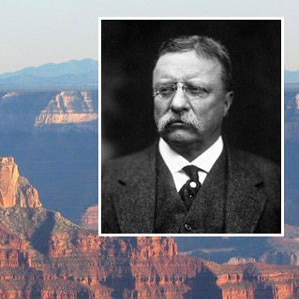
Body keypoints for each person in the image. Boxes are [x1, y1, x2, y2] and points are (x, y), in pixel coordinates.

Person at [101, 35, 280, 235]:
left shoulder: (277, 185)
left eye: (195, 90)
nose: (177, 104)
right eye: (165, 89)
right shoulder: (103, 183)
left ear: (226, 104)